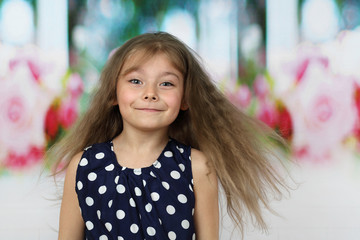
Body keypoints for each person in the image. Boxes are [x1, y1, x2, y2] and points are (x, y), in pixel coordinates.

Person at [49, 32, 289, 240]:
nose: (150, 93)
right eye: (135, 81)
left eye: (166, 84)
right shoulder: (84, 166)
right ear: (113, 93)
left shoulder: (197, 167)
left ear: (185, 98)